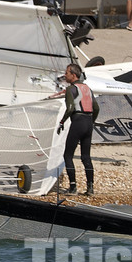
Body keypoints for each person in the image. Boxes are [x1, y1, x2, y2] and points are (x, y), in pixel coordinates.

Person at [56, 63, 97, 195]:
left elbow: (70, 109)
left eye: (67, 73)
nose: (65, 75)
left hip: (78, 122)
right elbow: (96, 108)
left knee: (67, 155)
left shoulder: (71, 89)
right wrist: (92, 121)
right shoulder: (88, 88)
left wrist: (62, 122)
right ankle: (90, 188)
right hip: (89, 123)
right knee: (86, 157)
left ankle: (73, 187)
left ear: (73, 75)